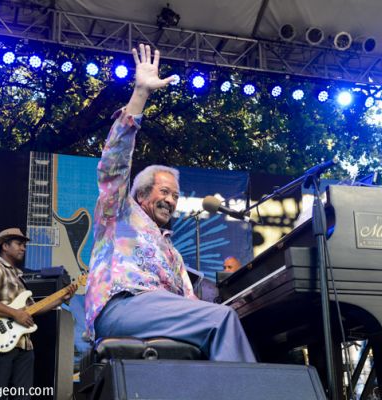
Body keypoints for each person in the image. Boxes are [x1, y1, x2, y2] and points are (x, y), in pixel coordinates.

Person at [84, 44, 256, 362]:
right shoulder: (120, 212)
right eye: (165, 192)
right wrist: (140, 94)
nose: (171, 200)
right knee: (222, 322)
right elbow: (114, 164)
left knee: (222, 322)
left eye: (176, 196)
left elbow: (189, 303)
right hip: (121, 305)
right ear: (142, 194)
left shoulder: (172, 253)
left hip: (156, 311)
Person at [0, 228, 74, 400]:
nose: (23, 248)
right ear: (5, 246)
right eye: (19, 244)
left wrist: (61, 297)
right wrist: (15, 314)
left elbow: (34, 309)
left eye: (24, 245)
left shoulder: (19, 277)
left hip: (24, 346)